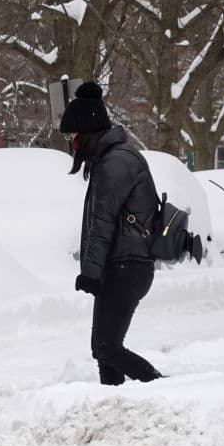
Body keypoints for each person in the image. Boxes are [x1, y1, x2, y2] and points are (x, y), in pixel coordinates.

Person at [60, 81, 164, 385]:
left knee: (106, 346)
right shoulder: (109, 160)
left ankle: (163, 388)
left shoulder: (116, 162)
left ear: (88, 131)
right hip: (119, 265)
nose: (71, 144)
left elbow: (102, 222)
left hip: (127, 266)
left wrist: (90, 273)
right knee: (103, 349)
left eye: (72, 136)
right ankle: (115, 400)